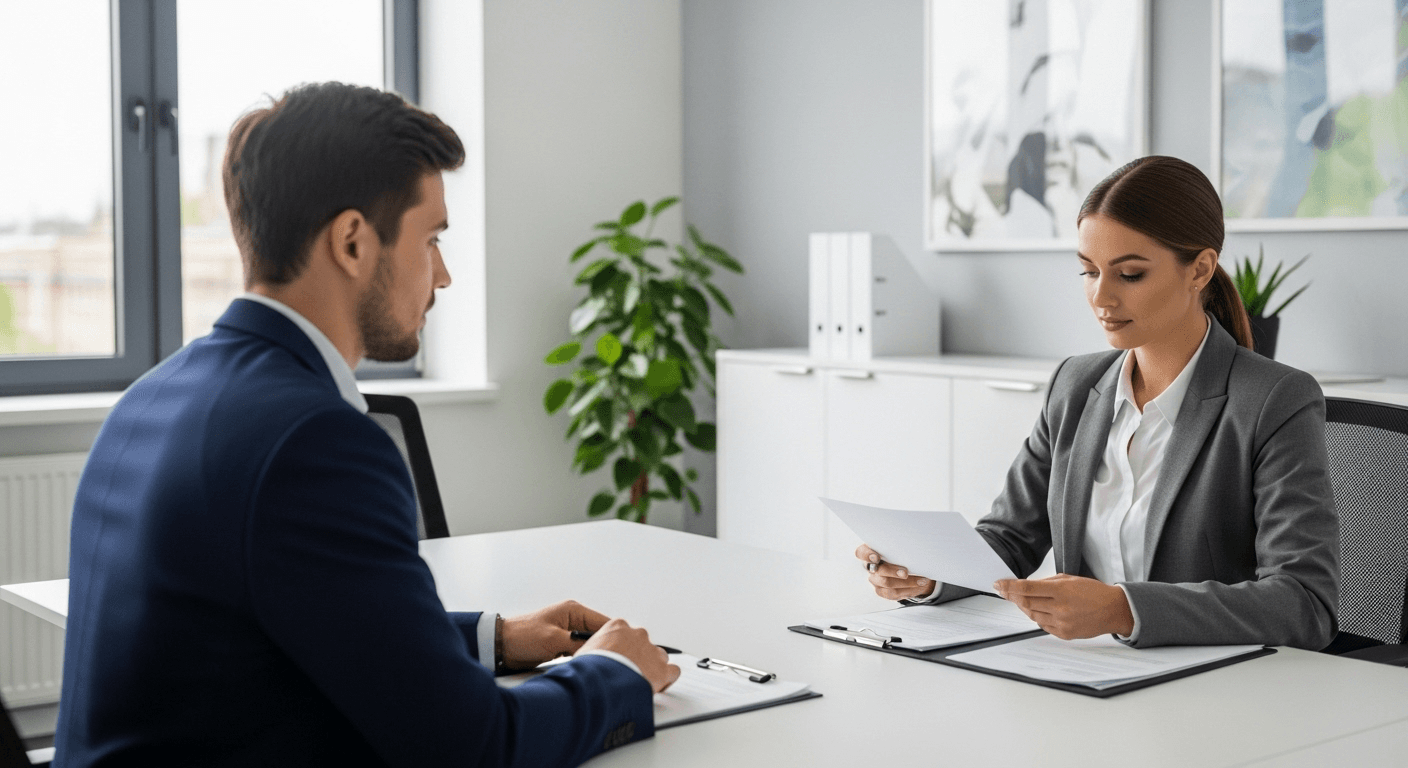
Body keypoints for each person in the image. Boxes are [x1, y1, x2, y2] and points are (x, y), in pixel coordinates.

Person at [53, 82, 678, 768]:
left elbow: (286, 617)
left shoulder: (151, 397)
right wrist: (614, 673)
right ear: (352, 242)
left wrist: (494, 638)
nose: (443, 276)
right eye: (432, 239)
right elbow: (473, 747)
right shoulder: (317, 442)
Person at [857, 156, 1340, 650]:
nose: (1101, 297)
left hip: (1211, 685)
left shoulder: (1275, 400)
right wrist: (930, 576)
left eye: (1129, 274)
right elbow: (1009, 540)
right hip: (1085, 673)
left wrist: (1122, 608)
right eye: (1089, 272)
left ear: (1199, 270)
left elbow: (1304, 602)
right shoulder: (1075, 384)